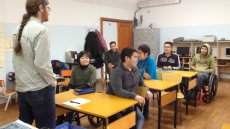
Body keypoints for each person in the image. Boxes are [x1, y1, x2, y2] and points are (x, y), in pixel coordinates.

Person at [12, 0, 56, 128]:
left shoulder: (18, 28)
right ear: (41, 8)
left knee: (24, 126)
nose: (49, 11)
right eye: (48, 8)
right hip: (40, 89)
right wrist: (53, 81)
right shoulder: (41, 30)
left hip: (22, 89)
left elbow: (17, 61)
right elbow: (42, 65)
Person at [107, 48, 153, 129]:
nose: (137, 59)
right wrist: (135, 96)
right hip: (115, 102)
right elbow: (118, 91)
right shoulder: (117, 71)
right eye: (135, 57)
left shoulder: (136, 69)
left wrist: (148, 91)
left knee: (140, 118)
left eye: (137, 57)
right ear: (127, 58)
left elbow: (142, 83)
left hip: (129, 101)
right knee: (122, 122)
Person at [56, 51, 97, 124]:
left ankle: (67, 122)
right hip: (75, 92)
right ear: (79, 59)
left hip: (87, 92)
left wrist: (75, 90)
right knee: (61, 102)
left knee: (71, 105)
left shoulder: (93, 69)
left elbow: (90, 84)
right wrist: (68, 91)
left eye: (87, 58)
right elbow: (71, 82)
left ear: (89, 59)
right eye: (82, 58)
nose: (85, 59)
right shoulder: (75, 69)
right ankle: (59, 119)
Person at [137, 44, 157, 119]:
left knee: (144, 93)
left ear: (146, 54)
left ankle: (145, 115)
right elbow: (136, 72)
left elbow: (149, 76)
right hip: (143, 83)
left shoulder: (151, 60)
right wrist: (142, 73)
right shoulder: (139, 61)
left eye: (140, 53)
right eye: (138, 53)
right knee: (137, 92)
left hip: (153, 84)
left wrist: (140, 73)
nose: (138, 55)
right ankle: (137, 114)